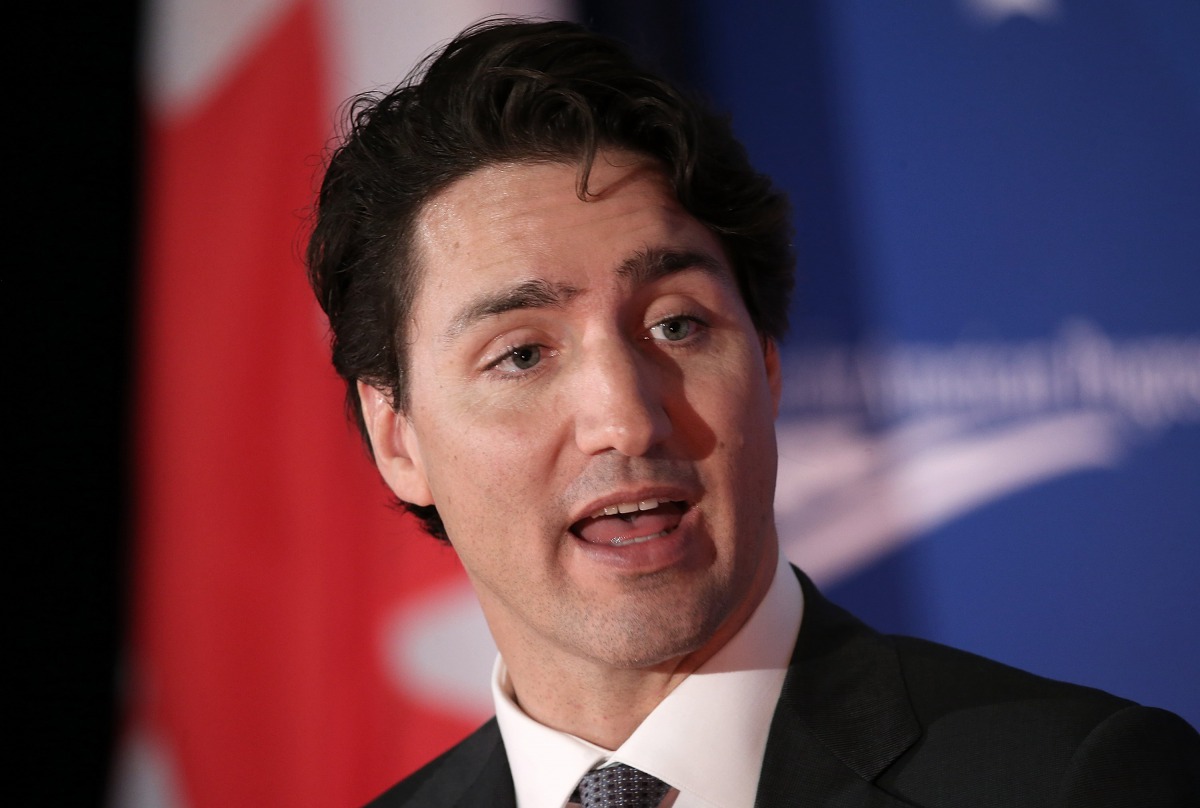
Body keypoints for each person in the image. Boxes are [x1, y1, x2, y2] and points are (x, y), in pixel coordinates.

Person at [306, 17, 1200, 808]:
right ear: (398, 436)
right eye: (523, 354)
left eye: (677, 325)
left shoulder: (1076, 781)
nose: (626, 417)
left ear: (768, 365)